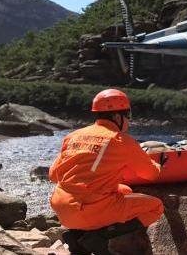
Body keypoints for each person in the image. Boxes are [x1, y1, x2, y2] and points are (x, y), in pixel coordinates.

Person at [49, 89, 164, 254]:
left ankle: (77, 235)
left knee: (125, 190)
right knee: (156, 207)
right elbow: (151, 174)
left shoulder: (73, 136)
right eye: (128, 116)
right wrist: (158, 164)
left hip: (62, 208)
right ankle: (96, 236)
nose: (129, 121)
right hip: (89, 210)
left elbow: (53, 175)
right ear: (117, 117)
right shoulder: (120, 140)